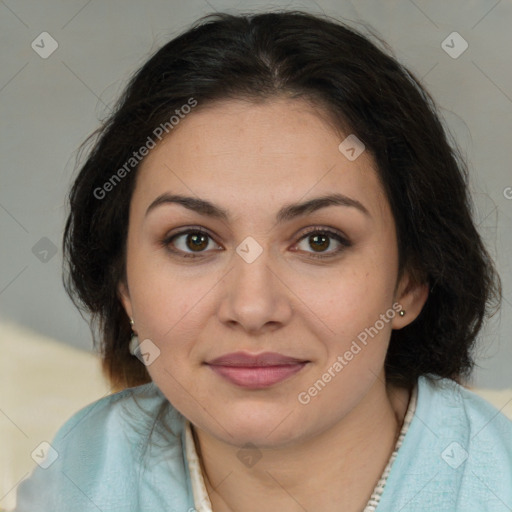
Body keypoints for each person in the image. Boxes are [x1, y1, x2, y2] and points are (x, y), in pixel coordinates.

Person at [14, 10, 512, 512]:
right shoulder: (81, 474)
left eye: (320, 241)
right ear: (123, 283)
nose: (252, 308)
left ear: (409, 282)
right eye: (193, 241)